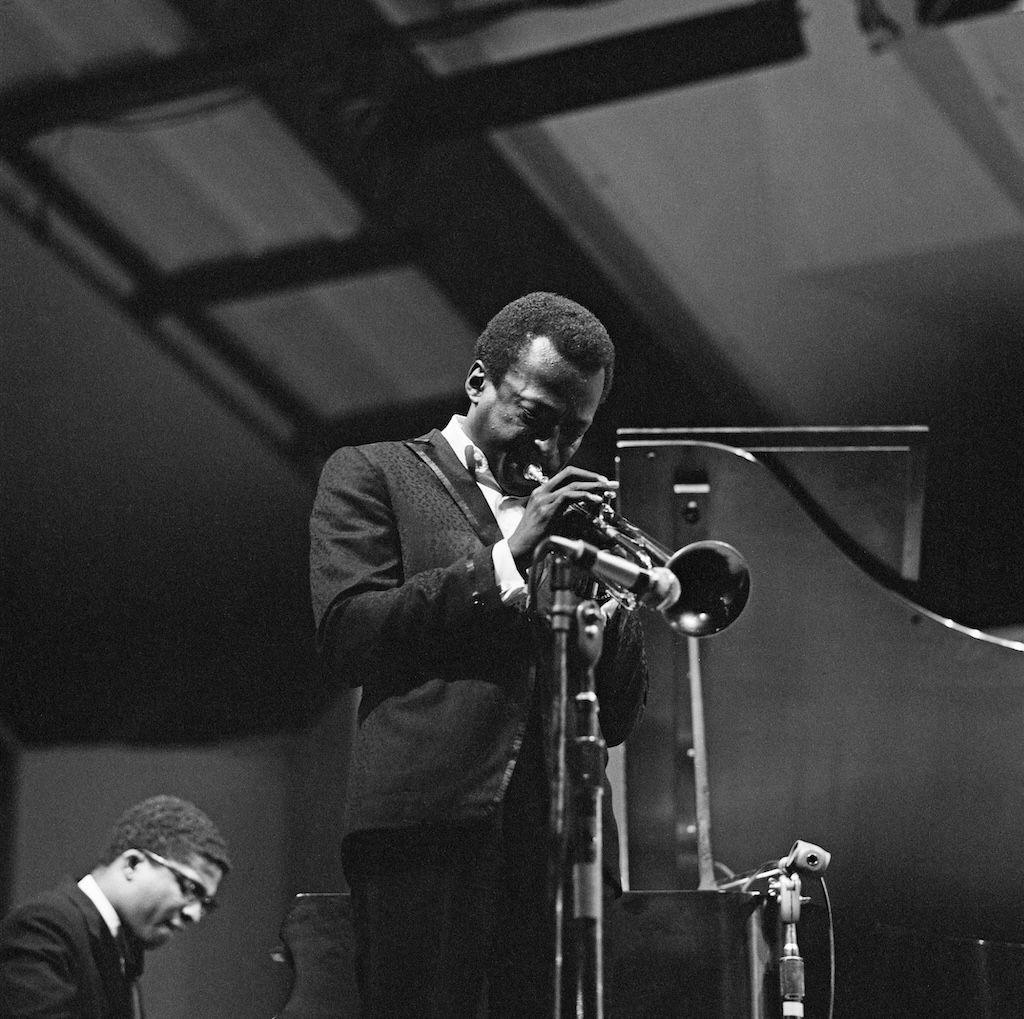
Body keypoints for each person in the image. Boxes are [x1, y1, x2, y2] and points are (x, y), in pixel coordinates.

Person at [309, 291, 649, 1016]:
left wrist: (615, 605)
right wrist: (509, 559)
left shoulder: (579, 518)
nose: (552, 451)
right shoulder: (374, 474)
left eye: (574, 433)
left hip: (566, 845)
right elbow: (350, 635)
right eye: (535, 418)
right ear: (477, 383)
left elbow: (617, 716)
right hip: (425, 835)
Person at [0, 794, 230, 1018]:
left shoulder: (120, 951)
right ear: (133, 864)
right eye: (190, 889)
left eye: (205, 904)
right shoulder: (44, 927)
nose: (195, 914)